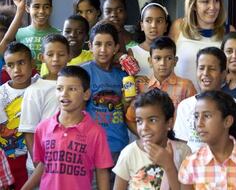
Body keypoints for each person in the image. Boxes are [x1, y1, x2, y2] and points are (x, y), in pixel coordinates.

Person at [21, 66, 113, 190]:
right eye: (59, 88)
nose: (64, 93)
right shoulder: (42, 128)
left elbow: (102, 172)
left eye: (72, 89)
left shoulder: (96, 132)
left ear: (86, 94)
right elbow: (43, 165)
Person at [178, 90, 236, 189]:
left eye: (207, 116)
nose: (199, 123)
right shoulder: (191, 164)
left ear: (227, 121)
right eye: (196, 116)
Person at [113, 89, 191, 190]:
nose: (144, 127)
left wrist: (169, 165)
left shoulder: (184, 152)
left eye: (152, 120)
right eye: (139, 121)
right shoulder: (129, 154)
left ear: (169, 123)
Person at [81, 23, 129, 182]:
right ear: (90, 46)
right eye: (98, 44)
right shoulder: (84, 72)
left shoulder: (123, 76)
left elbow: (126, 110)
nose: (103, 49)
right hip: (92, 147)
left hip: (119, 144)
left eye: (108, 45)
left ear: (116, 48)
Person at [173, 47, 236, 152]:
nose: (205, 73)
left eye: (212, 69)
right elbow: (182, 148)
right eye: (201, 68)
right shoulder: (185, 106)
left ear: (224, 74)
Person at [169, 0, 236, 88]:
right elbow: (165, 61)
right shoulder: (178, 27)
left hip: (216, 101)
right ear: (194, 5)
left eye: (216, 1)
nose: (213, 7)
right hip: (181, 101)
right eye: (205, 1)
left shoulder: (229, 31)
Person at [19, 34, 70, 175]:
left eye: (61, 54)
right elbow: (29, 132)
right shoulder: (34, 90)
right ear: (42, 58)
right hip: (41, 166)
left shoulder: (75, 85)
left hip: (67, 164)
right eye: (50, 54)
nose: (55, 59)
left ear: (69, 56)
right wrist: (38, 166)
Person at [125, 36, 197, 134]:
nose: (163, 63)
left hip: (178, 143)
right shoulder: (141, 87)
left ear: (175, 61)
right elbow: (130, 118)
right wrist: (144, 138)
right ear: (150, 61)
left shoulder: (186, 86)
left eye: (168, 58)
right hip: (149, 144)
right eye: (157, 58)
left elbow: (195, 118)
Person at [0, 42, 38, 189]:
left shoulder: (41, 85)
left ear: (32, 63)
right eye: (10, 65)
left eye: (21, 63)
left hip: (35, 156)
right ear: (5, 69)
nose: (16, 69)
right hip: (9, 157)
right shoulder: (1, 94)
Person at [15, 0, 60, 71]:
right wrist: (19, 10)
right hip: (27, 82)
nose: (41, 11)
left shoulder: (59, 35)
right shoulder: (19, 34)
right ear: (27, 8)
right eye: (36, 7)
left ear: (51, 9)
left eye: (46, 7)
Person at [128, 2, 169, 77]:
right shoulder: (133, 52)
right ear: (142, 25)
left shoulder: (172, 51)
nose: (153, 26)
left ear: (166, 26)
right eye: (148, 21)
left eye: (159, 21)